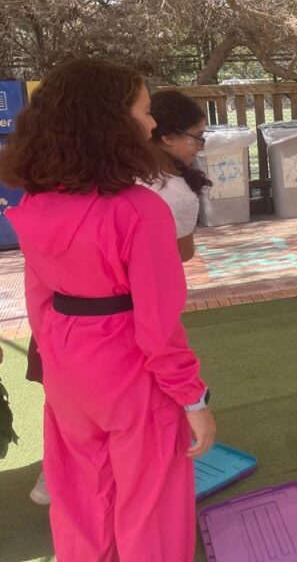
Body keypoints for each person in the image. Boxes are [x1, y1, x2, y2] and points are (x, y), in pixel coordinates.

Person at [0, 57, 215, 561]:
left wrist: (58, 365)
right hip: (131, 374)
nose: (152, 123)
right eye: (144, 110)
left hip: (68, 370)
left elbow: (39, 299)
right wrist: (194, 400)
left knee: (81, 501)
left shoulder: (36, 203)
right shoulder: (141, 210)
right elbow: (158, 326)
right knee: (150, 507)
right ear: (110, 121)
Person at [146, 90, 212, 262]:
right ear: (168, 138)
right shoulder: (178, 194)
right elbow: (183, 253)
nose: (200, 146)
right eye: (197, 137)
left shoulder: (120, 171)